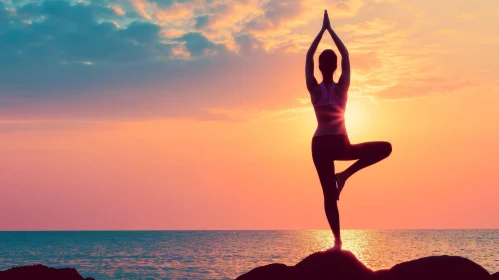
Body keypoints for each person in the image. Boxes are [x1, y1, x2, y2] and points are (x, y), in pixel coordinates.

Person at [306, 10, 392, 250]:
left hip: (322, 144)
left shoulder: (314, 88)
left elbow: (309, 55)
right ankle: (344, 178)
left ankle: (337, 241)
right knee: (385, 148)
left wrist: (321, 32)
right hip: (338, 144)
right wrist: (330, 31)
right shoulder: (342, 87)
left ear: (321, 66)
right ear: (333, 66)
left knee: (329, 195)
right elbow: (345, 54)